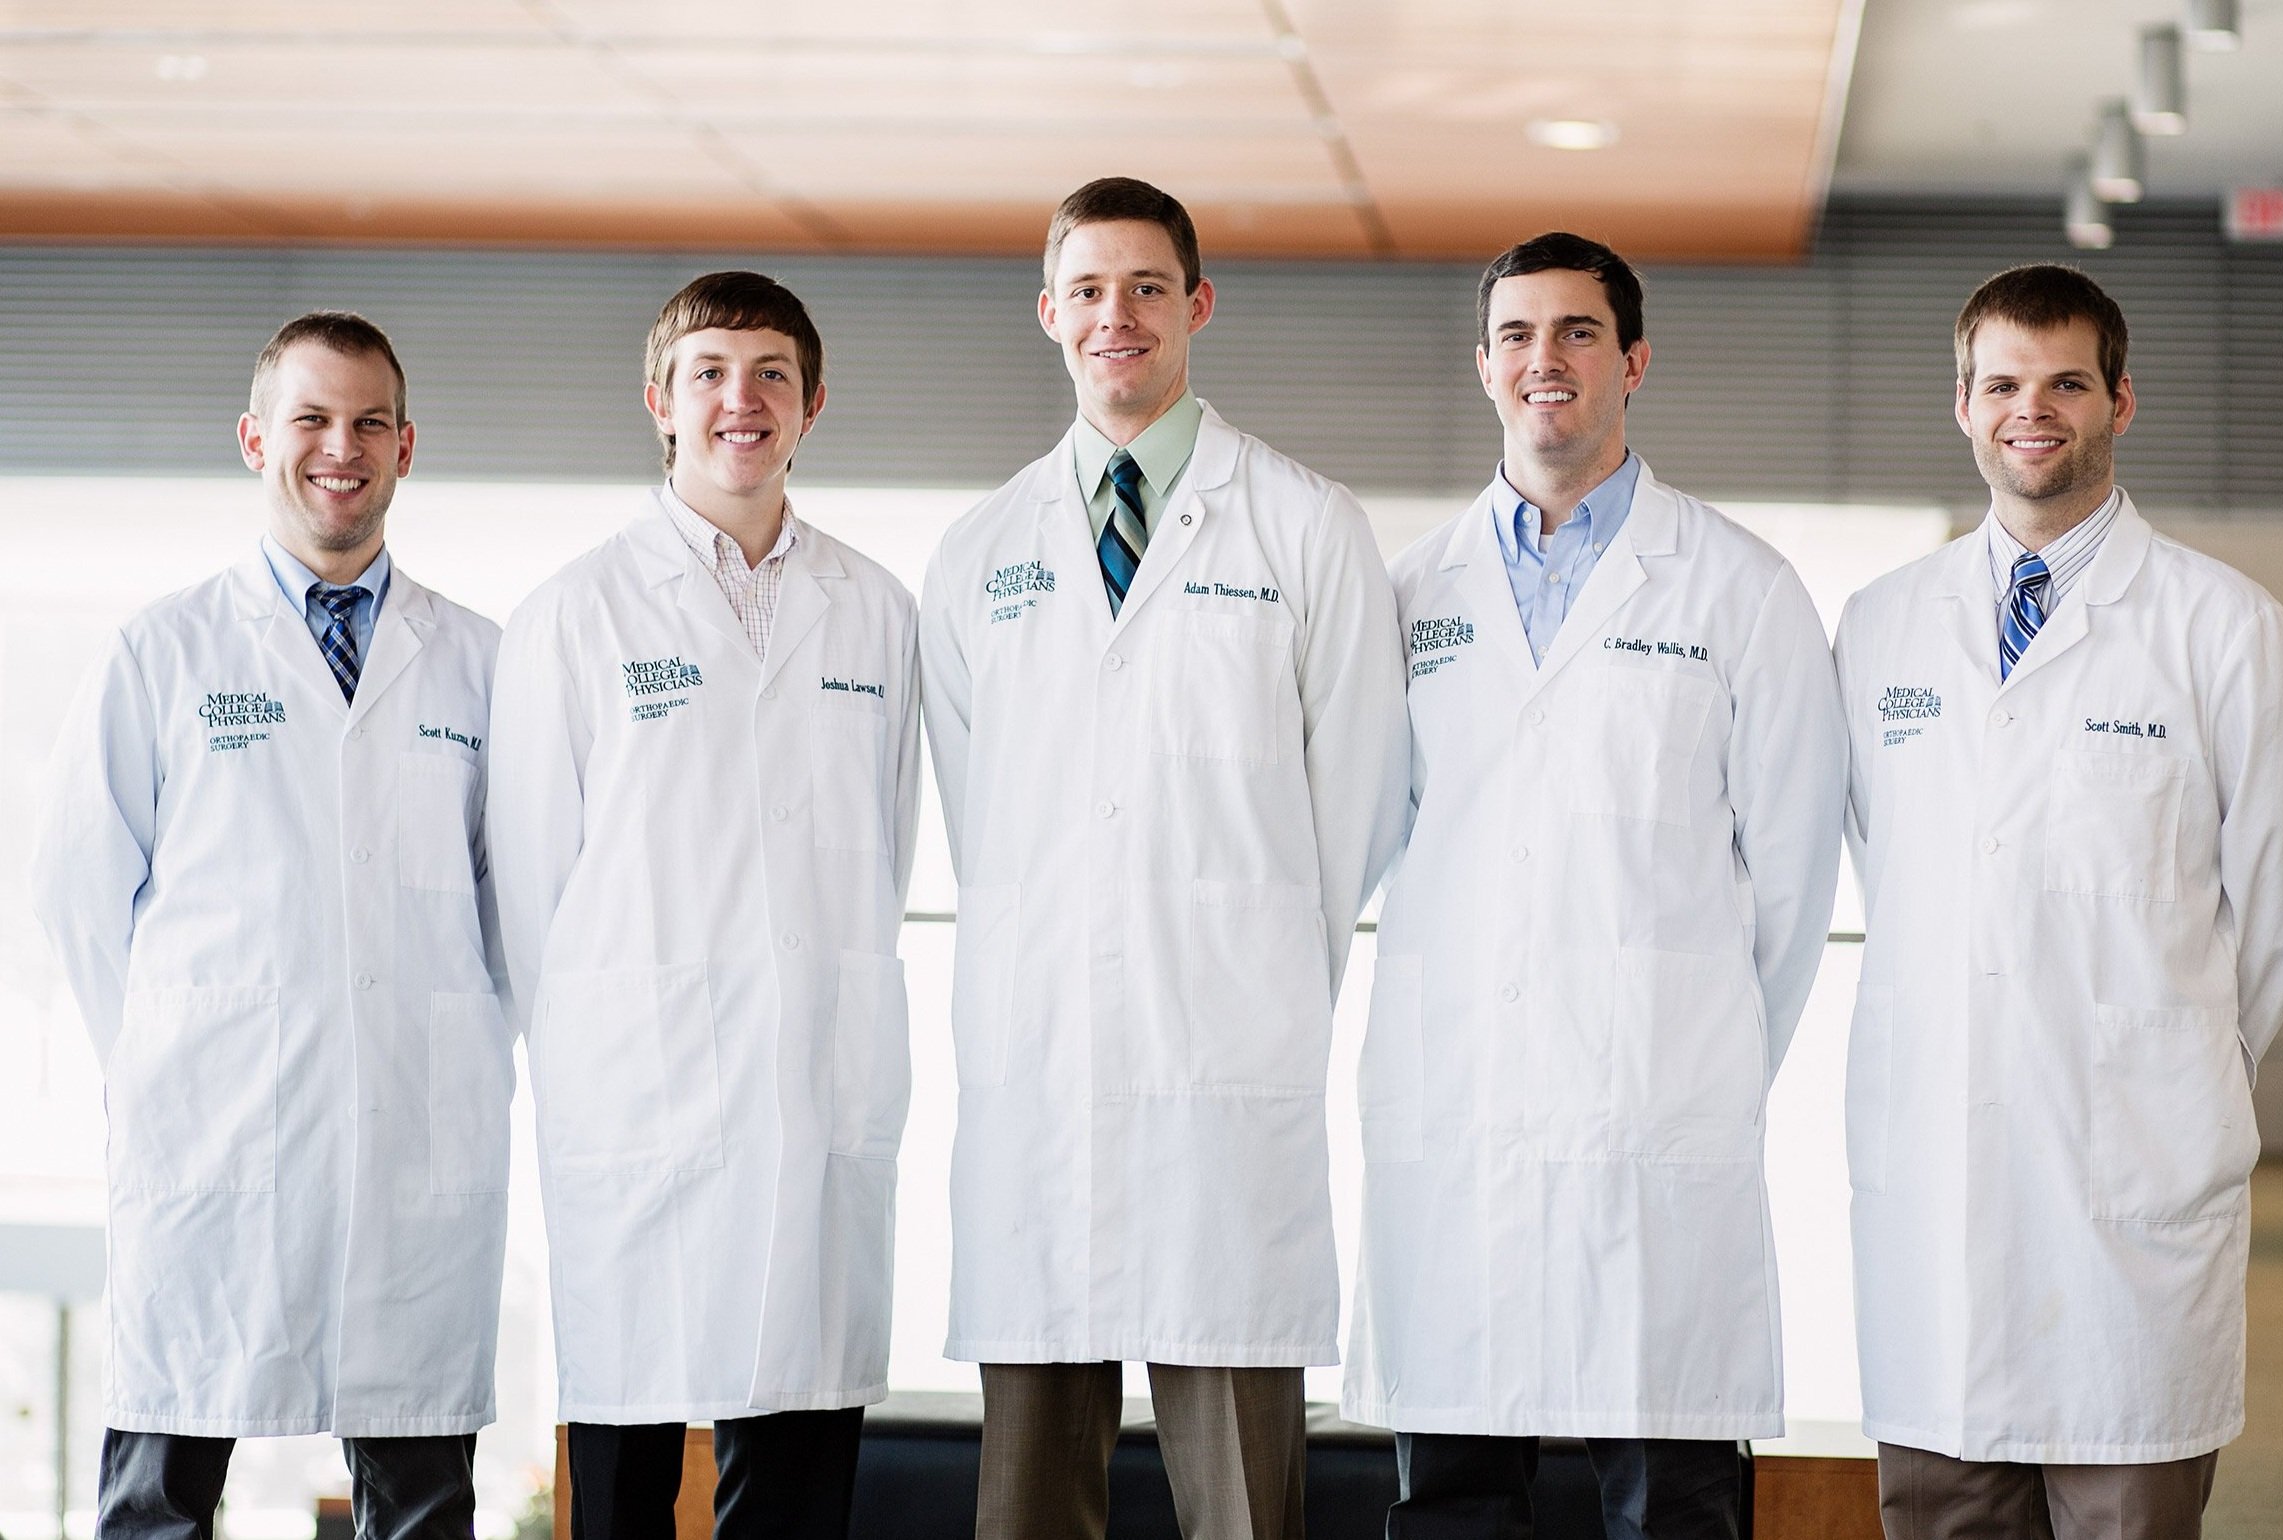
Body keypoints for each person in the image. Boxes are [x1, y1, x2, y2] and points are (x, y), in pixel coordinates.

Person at [919, 176, 1408, 1540]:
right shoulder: (979, 552)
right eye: (1085, 290)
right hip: (1042, 1074)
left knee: (1242, 1506)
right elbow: (987, 819)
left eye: (1144, 287)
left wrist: (1243, 970)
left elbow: (1356, 799)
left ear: (1195, 305)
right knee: (1025, 1505)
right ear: (1047, 315)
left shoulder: (1303, 527)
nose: (1113, 316)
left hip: (1224, 1071)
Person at [1833, 264, 2283, 1540]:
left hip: (2129, 1177)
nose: (2032, 409)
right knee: (1940, 1508)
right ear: (1960, 404)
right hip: (1939, 1178)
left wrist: (2180, 1052)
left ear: (2119, 398)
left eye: (2065, 380)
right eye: (2002, 383)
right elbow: (1878, 858)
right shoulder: (1881, 627)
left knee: (2124, 1505)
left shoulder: (2221, 626)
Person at [1339, 231, 1846, 1539]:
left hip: (1652, 1114)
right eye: (1515, 335)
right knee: (1451, 1490)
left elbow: (1789, 876)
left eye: (1573, 333)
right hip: (1455, 1106)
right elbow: (1360, 835)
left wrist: (1696, 1057)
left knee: (1667, 1494)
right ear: (1481, 366)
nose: (1542, 360)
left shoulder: (1738, 589)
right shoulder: (1405, 596)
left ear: (1631, 362)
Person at [31, 313, 508, 1540]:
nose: (337, 448)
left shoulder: (478, 664)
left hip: (416, 1131)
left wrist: (466, 1055)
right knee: (161, 1492)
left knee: (419, 1501)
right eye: (309, 418)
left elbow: (517, 905)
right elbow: (82, 894)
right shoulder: (166, 652)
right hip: (212, 1127)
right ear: (256, 439)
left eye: (366, 423)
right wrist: (159, 1065)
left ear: (407, 447)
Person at [487, 271, 919, 1540]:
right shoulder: (574, 613)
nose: (744, 398)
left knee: (795, 1455)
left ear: (812, 404)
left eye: (772, 374)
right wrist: (605, 1049)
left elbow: (880, 852)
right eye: (712, 372)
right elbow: (531, 887)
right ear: (660, 402)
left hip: (815, 1080)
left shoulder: (877, 611)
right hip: (640, 1096)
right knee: (625, 1463)